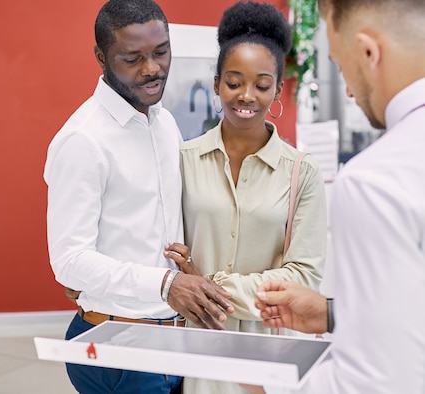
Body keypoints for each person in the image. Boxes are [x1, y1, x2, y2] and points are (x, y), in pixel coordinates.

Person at [43, 0, 234, 392]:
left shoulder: (163, 122)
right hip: (120, 348)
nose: (152, 68)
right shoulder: (83, 141)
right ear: (101, 57)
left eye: (161, 52)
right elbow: (69, 262)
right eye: (132, 58)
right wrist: (164, 284)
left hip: (174, 337)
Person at [254, 0, 425, 392]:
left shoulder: (375, 181)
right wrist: (334, 314)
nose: (347, 89)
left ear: (369, 52)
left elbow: (375, 382)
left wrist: (274, 385)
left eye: (341, 64)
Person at [163, 1, 327, 393]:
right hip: (194, 346)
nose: (246, 96)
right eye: (234, 82)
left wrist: (208, 286)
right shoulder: (181, 160)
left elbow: (303, 276)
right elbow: (168, 253)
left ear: (277, 86)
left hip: (267, 346)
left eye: (262, 84)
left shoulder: (302, 172)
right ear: (217, 82)